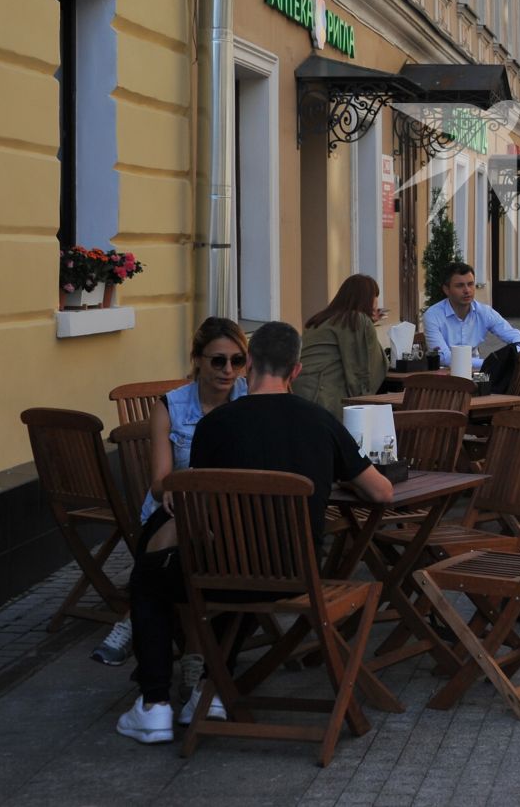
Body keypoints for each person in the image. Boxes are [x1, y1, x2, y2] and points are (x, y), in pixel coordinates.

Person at [115, 321, 394, 746]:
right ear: (296, 370)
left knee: (150, 576)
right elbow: (381, 492)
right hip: (297, 574)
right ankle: (208, 691)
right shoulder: (321, 422)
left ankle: (155, 705)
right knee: (203, 573)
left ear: (249, 367)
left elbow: (203, 503)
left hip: (224, 573)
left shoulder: (215, 426)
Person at [92, 318, 250, 668]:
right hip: (173, 507)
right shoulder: (171, 406)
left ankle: (135, 619)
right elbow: (160, 481)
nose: (228, 370)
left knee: (180, 552)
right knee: (186, 539)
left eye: (237, 361)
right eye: (218, 360)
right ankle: (197, 663)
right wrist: (190, 489)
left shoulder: (249, 399)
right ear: (197, 359)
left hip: (228, 512)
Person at [295, 274, 388, 418]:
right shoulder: (356, 320)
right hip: (321, 399)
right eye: (375, 295)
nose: (377, 302)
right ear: (367, 298)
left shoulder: (323, 319)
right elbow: (363, 369)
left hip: (299, 393)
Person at [422, 260, 520, 373]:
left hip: (477, 373)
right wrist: (491, 363)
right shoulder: (433, 315)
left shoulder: (484, 312)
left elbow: (518, 339)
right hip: (445, 376)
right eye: (460, 286)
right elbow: (444, 358)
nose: (467, 290)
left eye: (470, 284)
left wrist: (510, 356)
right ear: (446, 290)